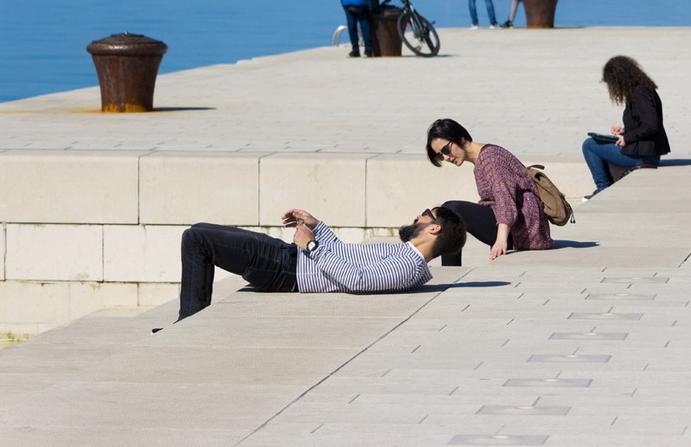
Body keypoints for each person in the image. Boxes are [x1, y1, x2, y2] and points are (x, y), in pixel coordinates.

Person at [176, 206, 466, 320]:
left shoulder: (407, 266)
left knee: (195, 239)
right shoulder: (405, 255)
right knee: (200, 227)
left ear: (434, 228)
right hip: (290, 258)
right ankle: (189, 316)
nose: (418, 215)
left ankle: (187, 321)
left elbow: (356, 281)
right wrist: (316, 225)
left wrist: (312, 245)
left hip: (285, 270)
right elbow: (345, 256)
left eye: (426, 214)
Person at [426, 118, 553, 265]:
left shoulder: (491, 158)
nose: (446, 157)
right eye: (440, 155)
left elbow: (506, 199)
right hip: (516, 225)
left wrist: (500, 241)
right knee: (448, 213)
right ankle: (449, 267)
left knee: (450, 209)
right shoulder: (481, 159)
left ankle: (449, 269)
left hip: (523, 229)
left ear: (460, 138)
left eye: (446, 150)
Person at [582, 56, 670, 194]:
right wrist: (624, 131)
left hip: (643, 156)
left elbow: (652, 125)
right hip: (643, 151)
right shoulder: (640, 90)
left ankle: (603, 188)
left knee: (589, 145)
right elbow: (645, 123)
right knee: (597, 140)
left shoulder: (640, 93)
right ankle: (604, 188)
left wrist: (627, 138)